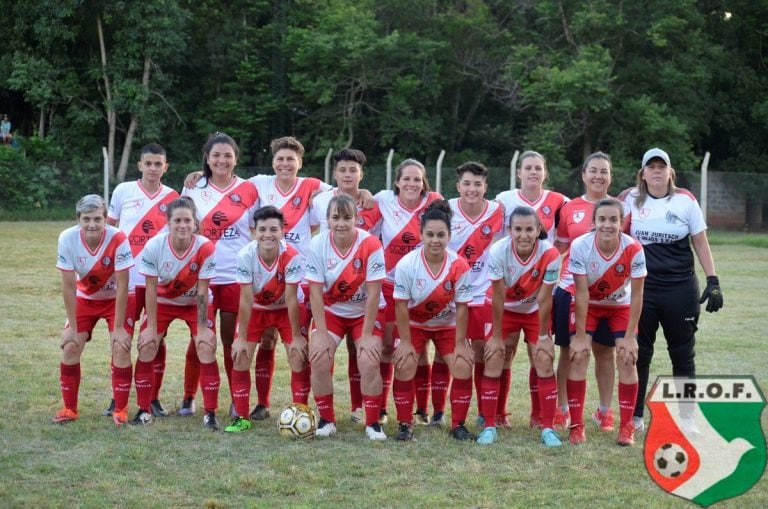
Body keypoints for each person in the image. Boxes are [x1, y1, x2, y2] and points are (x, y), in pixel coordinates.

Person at [622, 148, 723, 433]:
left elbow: (700, 243)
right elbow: (610, 229)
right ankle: (636, 415)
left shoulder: (685, 201)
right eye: (650, 167)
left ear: (670, 172)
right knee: (639, 353)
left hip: (680, 289)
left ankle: (687, 418)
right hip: (643, 289)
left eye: (661, 167)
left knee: (683, 354)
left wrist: (713, 279)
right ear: (642, 173)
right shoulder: (629, 200)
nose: (656, 171)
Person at [358, 159, 442, 425]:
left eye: (417, 179)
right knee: (386, 347)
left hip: (422, 288)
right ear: (397, 181)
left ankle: (422, 410)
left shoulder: (435, 201)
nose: (412, 183)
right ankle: (381, 409)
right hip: (389, 286)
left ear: (424, 182)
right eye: (406, 178)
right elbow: (361, 225)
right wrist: (364, 193)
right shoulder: (383, 199)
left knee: (418, 349)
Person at [180, 133, 259, 417]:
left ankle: (237, 401)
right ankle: (189, 397)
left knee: (231, 340)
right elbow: (181, 228)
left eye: (228, 155)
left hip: (235, 277)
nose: (222, 160)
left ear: (236, 158)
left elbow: (256, 229)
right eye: (216, 155)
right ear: (207, 158)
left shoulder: (249, 190)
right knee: (199, 338)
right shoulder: (192, 188)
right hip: (202, 278)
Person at [103, 143, 179, 418]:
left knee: (154, 339)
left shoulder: (173, 196)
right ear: (140, 165)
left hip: (156, 283)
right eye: (148, 163)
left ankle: (153, 398)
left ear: (165, 167)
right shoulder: (124, 190)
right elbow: (109, 231)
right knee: (120, 339)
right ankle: (117, 397)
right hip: (125, 281)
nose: (153, 168)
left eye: (158, 164)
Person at [494, 151, 569, 428]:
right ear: (519, 173)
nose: (533, 172)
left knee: (539, 353)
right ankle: (499, 414)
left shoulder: (560, 201)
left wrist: (548, 263)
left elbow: (570, 233)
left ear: (545, 172)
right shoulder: (503, 200)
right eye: (528, 168)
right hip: (509, 288)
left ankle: (539, 415)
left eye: (538, 167)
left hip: (540, 289)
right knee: (506, 349)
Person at [390, 200, 475, 441]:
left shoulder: (459, 265)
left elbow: (461, 308)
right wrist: (405, 343)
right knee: (405, 363)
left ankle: (458, 425)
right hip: (415, 325)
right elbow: (400, 306)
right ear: (421, 235)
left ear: (449, 235)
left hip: (446, 325)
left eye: (441, 235)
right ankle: (405, 424)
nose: (435, 240)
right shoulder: (407, 264)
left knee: (462, 364)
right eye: (429, 235)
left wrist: (461, 344)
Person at [305, 194, 387, 440]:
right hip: (332, 312)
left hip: (365, 313)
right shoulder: (318, 244)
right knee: (318, 357)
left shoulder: (371, 244)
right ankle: (327, 420)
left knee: (369, 359)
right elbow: (315, 294)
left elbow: (374, 295)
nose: (341, 223)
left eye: (347, 218)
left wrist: (367, 336)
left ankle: (373, 423)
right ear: (328, 220)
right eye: (335, 218)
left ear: (357, 219)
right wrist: (319, 334)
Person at [566, 198, 646, 446]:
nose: (607, 225)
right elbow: (581, 293)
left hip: (619, 308)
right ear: (593, 222)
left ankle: (626, 427)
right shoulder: (580, 245)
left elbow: (637, 294)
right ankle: (577, 427)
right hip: (588, 305)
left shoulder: (633, 248)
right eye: (602, 219)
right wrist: (580, 336)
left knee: (626, 357)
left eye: (613, 219)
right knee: (579, 355)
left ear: (622, 223)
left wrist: (631, 335)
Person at [225, 206, 309, 433]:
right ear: (254, 231)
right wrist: (241, 337)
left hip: (286, 308)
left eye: (273, 229)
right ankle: (242, 418)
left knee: (298, 356)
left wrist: (298, 337)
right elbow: (245, 299)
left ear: (283, 231)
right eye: (262, 229)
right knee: (240, 356)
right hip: (257, 309)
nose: (267, 234)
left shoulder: (291, 256)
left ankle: (301, 414)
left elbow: (291, 299)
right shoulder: (245, 255)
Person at [482, 206, 561, 446]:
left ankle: (547, 426)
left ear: (538, 230)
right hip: (503, 308)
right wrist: (495, 336)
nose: (523, 235)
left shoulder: (551, 254)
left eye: (529, 229)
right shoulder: (498, 251)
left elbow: (545, 298)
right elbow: (497, 296)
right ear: (509, 230)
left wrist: (545, 336)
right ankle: (490, 424)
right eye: (518, 229)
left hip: (535, 309)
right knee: (496, 355)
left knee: (544, 358)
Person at [137, 197, 218, 428]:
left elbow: (203, 291)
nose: (182, 225)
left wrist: (203, 329)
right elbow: (150, 290)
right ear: (168, 222)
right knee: (147, 343)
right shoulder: (154, 245)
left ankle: (209, 413)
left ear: (195, 223)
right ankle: (144, 409)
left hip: (194, 302)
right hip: (163, 301)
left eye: (187, 220)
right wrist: (151, 328)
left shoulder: (204, 246)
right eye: (177, 220)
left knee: (205, 344)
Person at [53, 195, 134, 425]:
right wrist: (72, 326)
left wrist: (118, 328)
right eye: (86, 219)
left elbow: (122, 285)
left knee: (121, 347)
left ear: (106, 219)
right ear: (78, 219)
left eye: (97, 219)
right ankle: (69, 409)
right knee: (70, 346)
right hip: (85, 299)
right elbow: (68, 286)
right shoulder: (67, 238)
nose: (92, 224)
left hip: (115, 299)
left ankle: (120, 409)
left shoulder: (117, 237)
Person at [552, 152, 616, 433]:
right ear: (583, 174)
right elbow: (560, 250)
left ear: (610, 176)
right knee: (569, 351)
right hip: (570, 289)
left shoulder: (619, 208)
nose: (598, 176)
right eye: (593, 171)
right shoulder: (570, 207)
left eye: (604, 171)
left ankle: (604, 412)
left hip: (608, 294)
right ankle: (562, 410)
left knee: (604, 352)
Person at [309, 148, 372, 423]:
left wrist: (367, 195)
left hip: (363, 286)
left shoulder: (374, 201)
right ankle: (325, 417)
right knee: (320, 352)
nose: (348, 174)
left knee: (363, 354)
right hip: (330, 292)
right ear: (334, 174)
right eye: (342, 170)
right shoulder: (320, 199)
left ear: (362, 174)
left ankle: (363, 411)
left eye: (353, 170)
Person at [446, 162, 505, 428]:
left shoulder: (498, 211)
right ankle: (436, 412)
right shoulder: (445, 209)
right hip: (451, 293)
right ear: (458, 186)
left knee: (482, 351)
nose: (472, 189)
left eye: (478, 184)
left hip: (482, 293)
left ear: (486, 187)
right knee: (447, 353)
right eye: (467, 183)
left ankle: (485, 412)